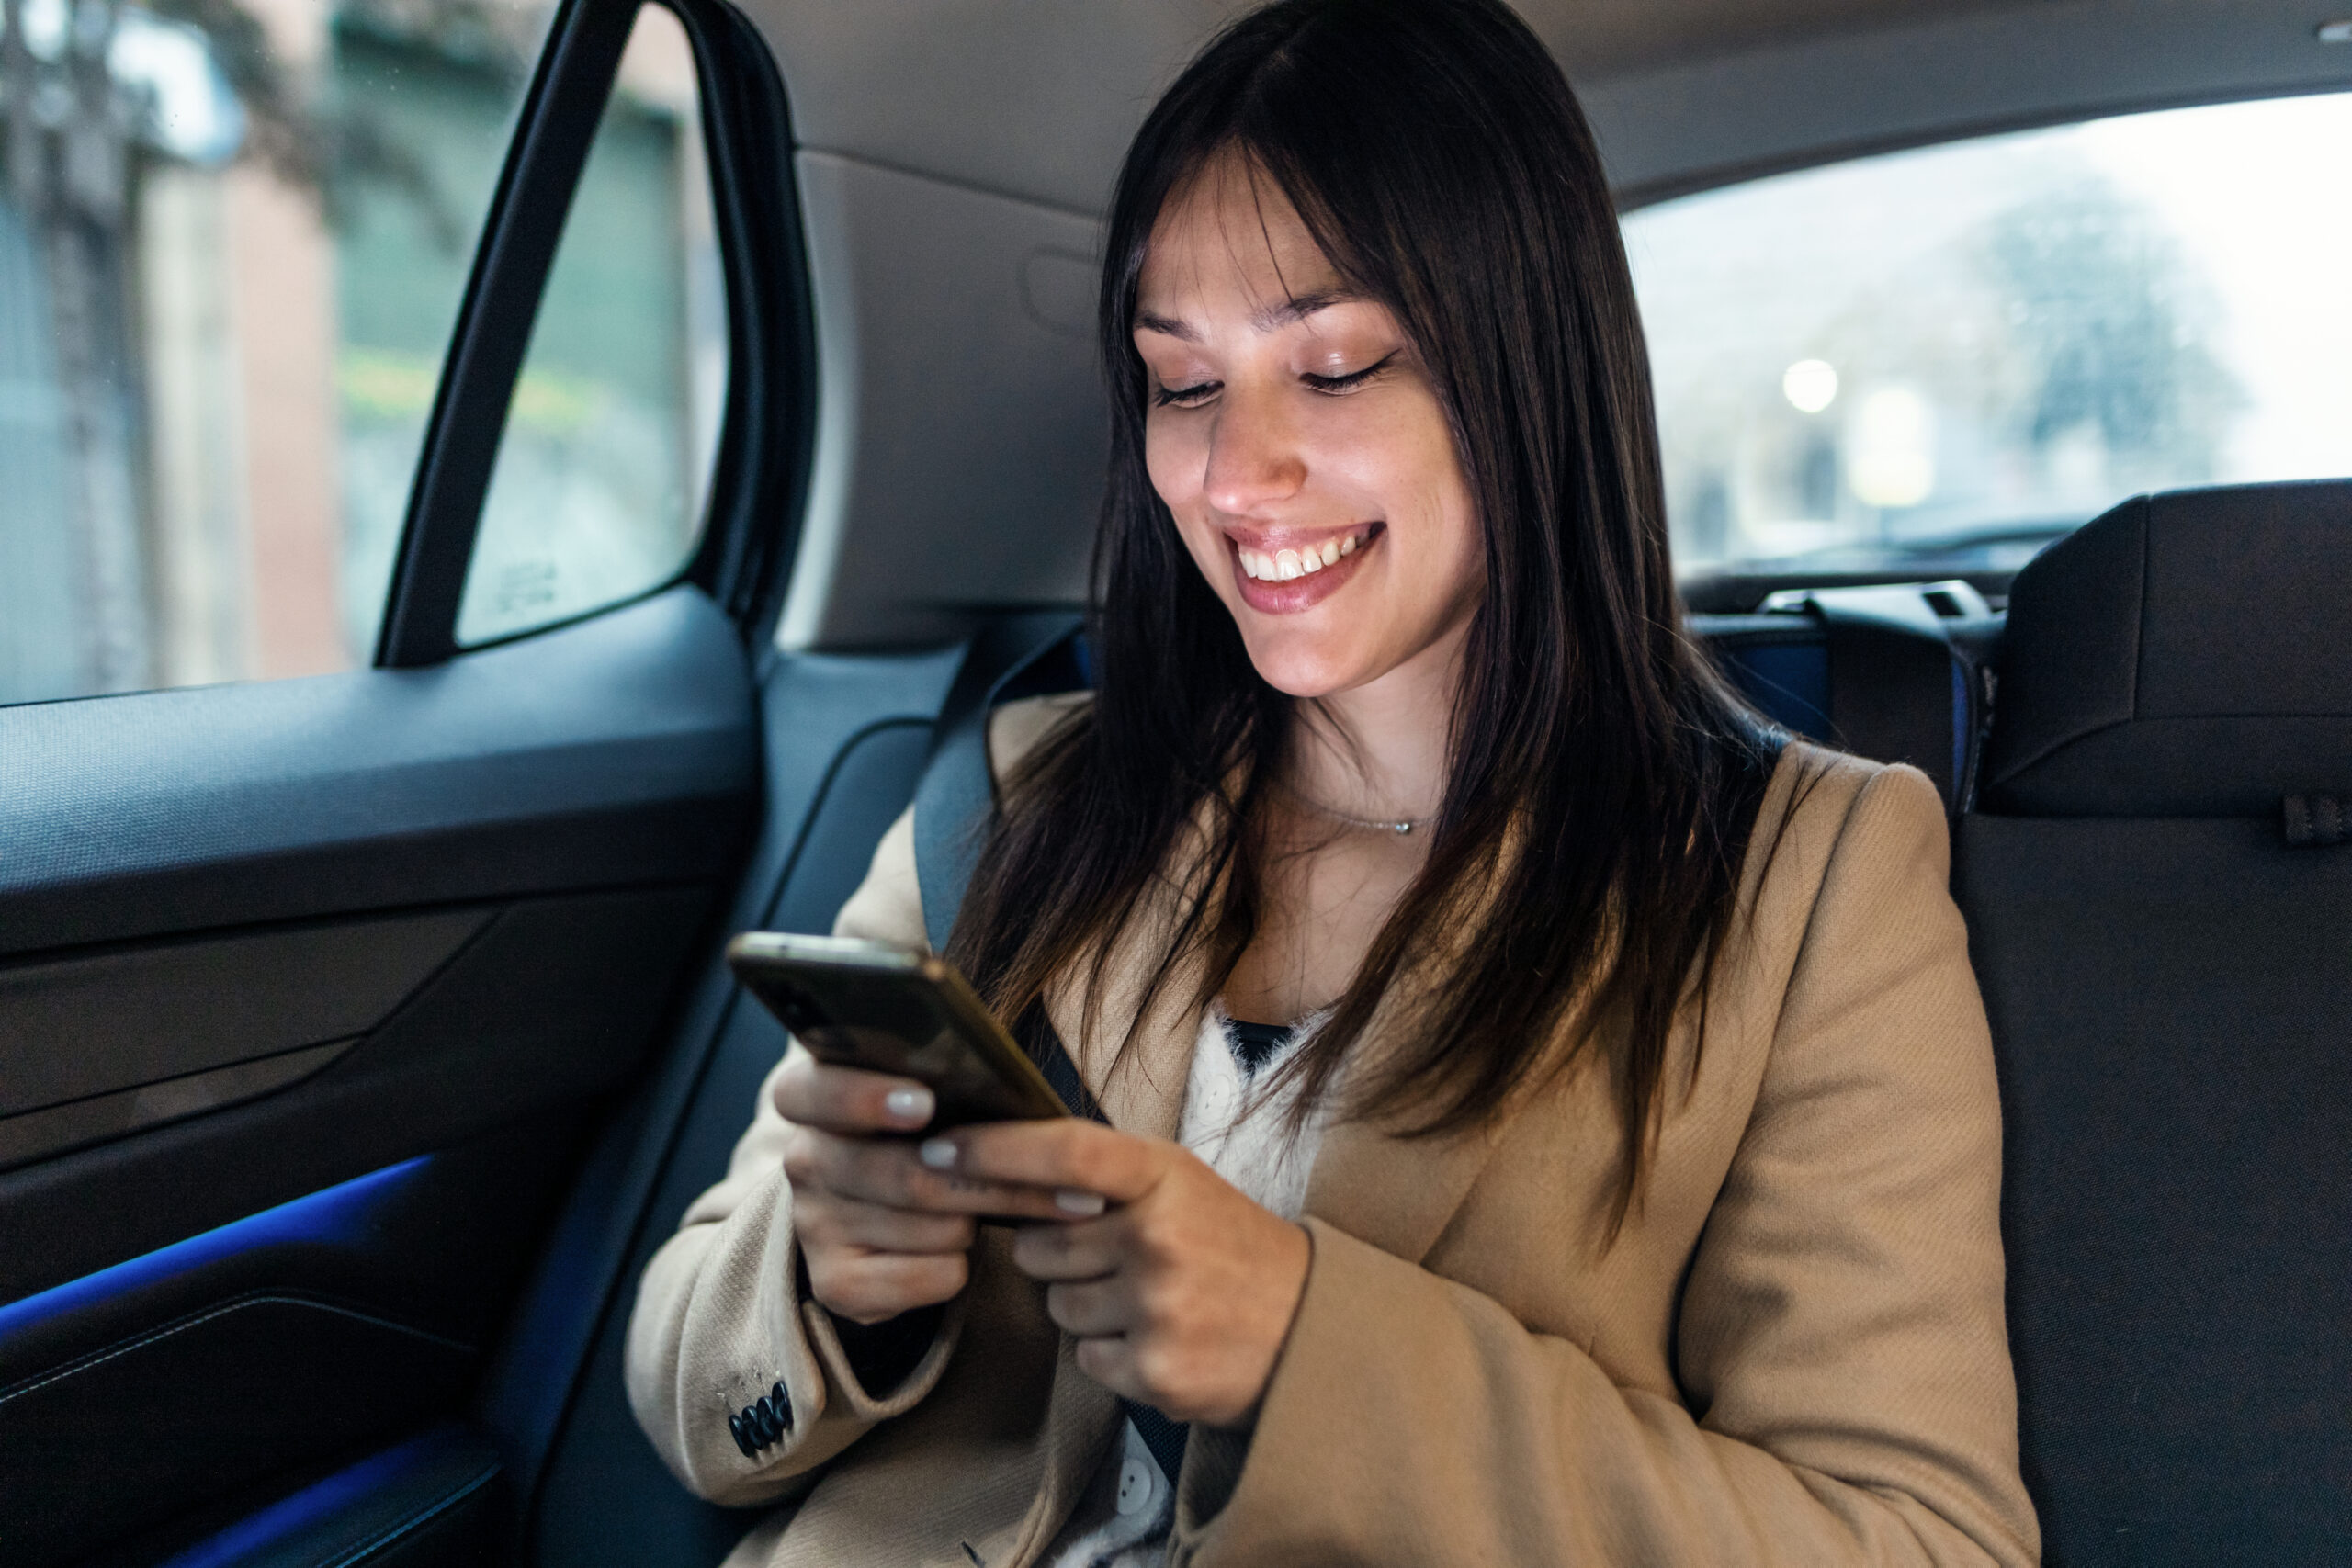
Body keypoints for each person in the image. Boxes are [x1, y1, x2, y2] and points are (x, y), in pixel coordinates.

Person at [625, 1, 2039, 1563]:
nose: (1237, 475)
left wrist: (1307, 1347)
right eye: (1182, 384)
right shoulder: (1013, 802)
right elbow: (689, 1380)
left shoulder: (1811, 881)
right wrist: (829, 1280)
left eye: (1338, 364)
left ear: (1527, 368)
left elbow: (1919, 1540)